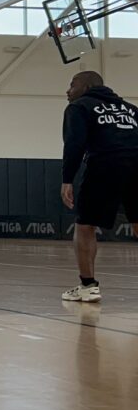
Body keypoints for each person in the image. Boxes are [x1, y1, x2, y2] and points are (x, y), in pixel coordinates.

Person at [60, 71, 138, 303]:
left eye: (72, 84)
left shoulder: (79, 107)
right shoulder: (131, 110)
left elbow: (74, 144)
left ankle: (88, 286)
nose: (68, 90)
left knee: (85, 226)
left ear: (85, 86)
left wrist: (67, 179)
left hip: (105, 164)